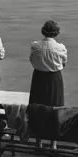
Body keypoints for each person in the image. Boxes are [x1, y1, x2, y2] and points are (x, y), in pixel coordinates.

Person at [29, 20, 68, 149]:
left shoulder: (35, 46)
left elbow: (32, 60)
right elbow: (63, 63)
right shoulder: (60, 47)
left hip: (39, 77)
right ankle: (53, 144)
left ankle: (38, 142)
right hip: (54, 78)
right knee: (55, 109)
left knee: (37, 109)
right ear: (56, 32)